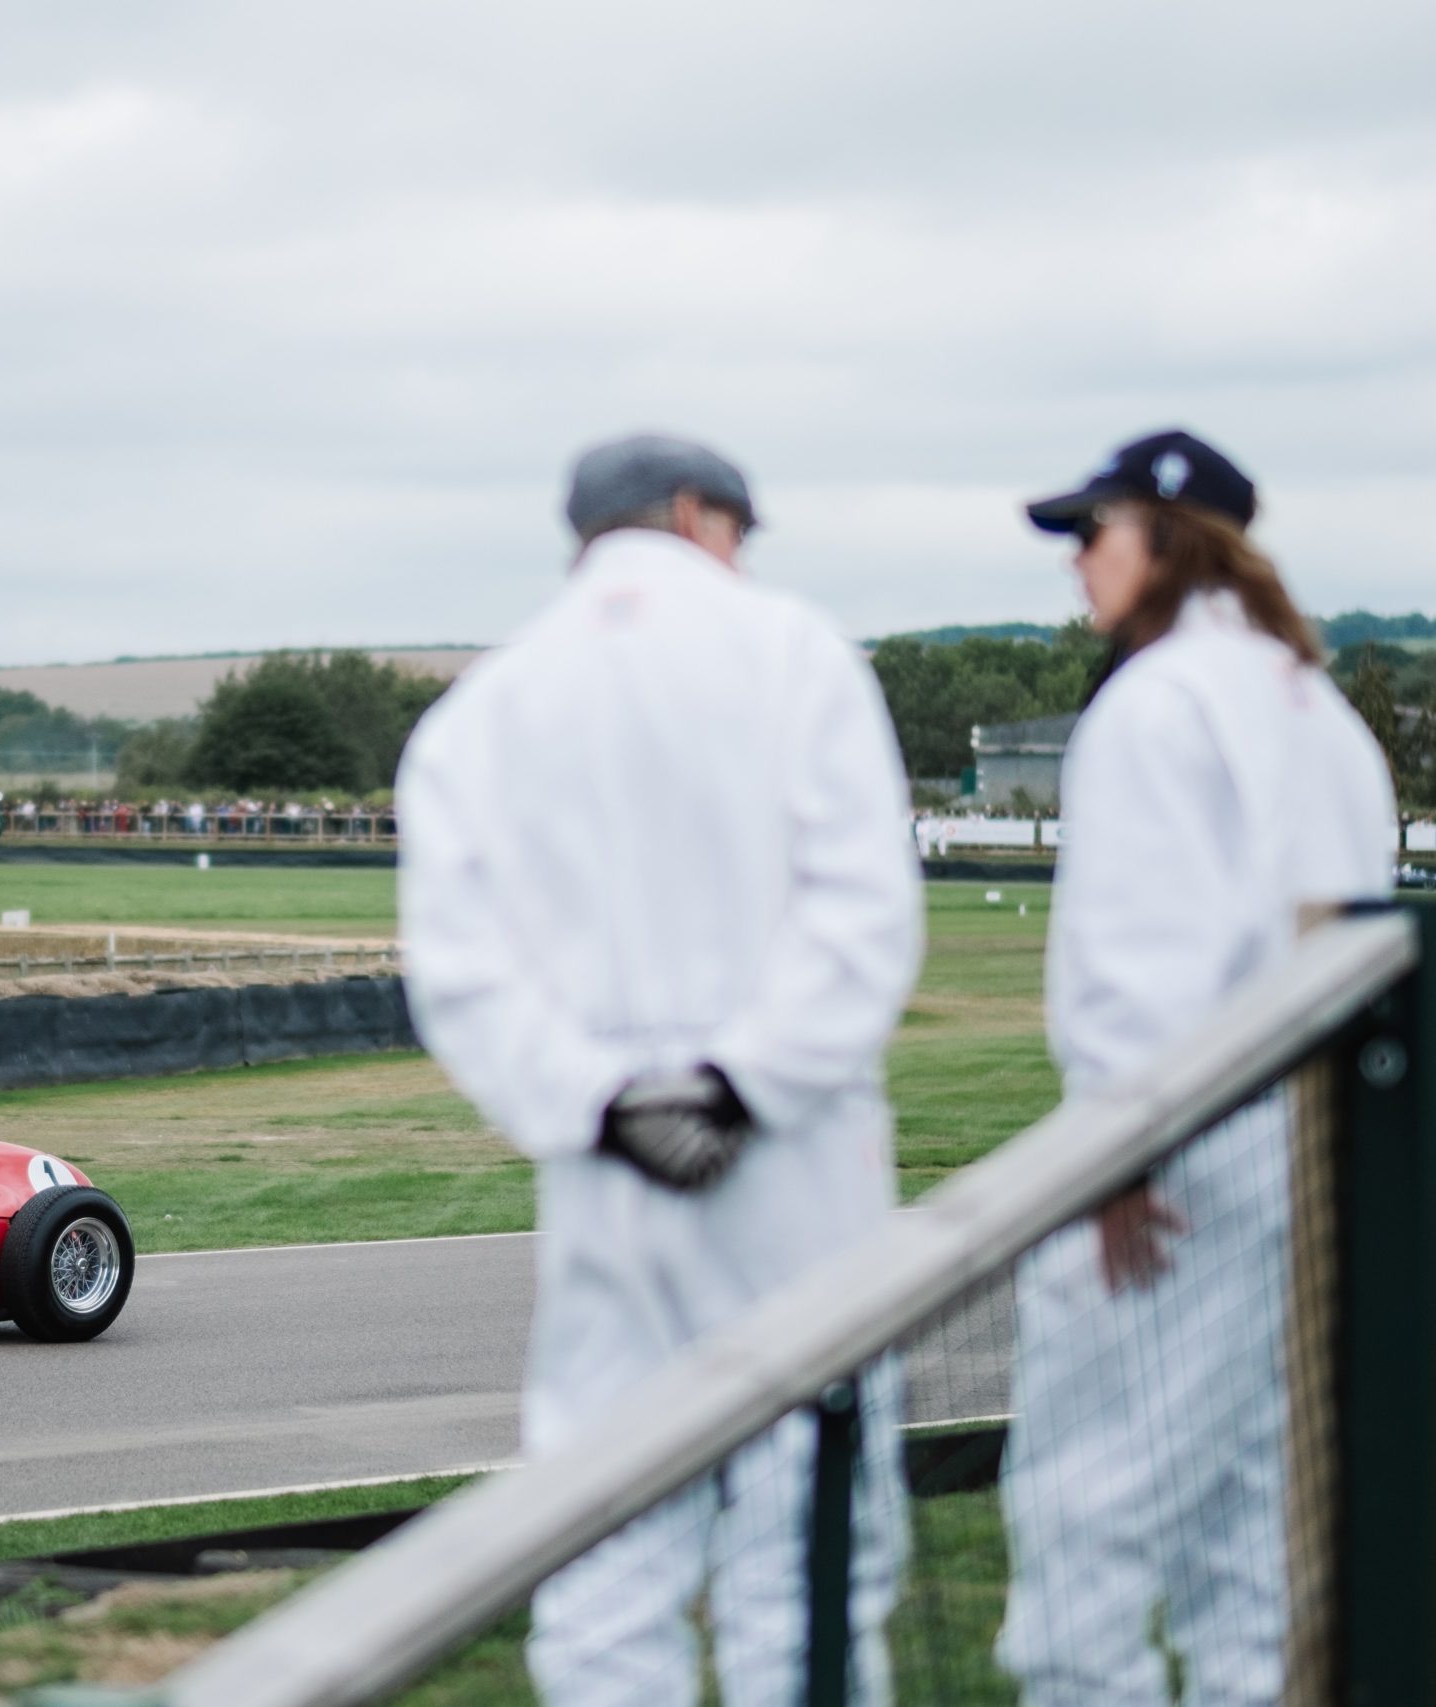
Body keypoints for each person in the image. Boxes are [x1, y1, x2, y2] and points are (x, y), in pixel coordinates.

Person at [398, 433, 923, 1707]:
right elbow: (862, 912)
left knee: (604, 1531)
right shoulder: (795, 651)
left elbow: (461, 972)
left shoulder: (488, 704)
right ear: (699, 517)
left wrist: (599, 1101)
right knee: (809, 1535)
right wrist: (741, 1084)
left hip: (609, 1168)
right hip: (792, 1151)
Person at [995, 430, 1393, 1706]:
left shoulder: (1156, 700)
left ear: (1165, 538)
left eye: (1091, 536)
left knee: (1081, 1544)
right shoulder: (1310, 704)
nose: (1076, 569)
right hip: (1312, 1160)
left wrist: (1117, 1150)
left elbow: (1135, 962)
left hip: (1171, 1166)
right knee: (1253, 1552)